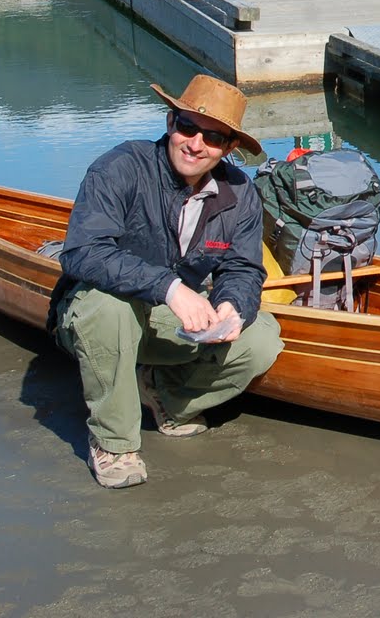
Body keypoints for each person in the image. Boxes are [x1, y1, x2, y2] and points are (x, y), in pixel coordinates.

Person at [51, 74, 284, 488]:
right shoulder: (120, 167)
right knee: (110, 308)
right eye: (188, 127)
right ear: (169, 122)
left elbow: (244, 269)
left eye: (212, 137)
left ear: (229, 148)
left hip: (166, 321)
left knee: (262, 334)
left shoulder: (241, 192)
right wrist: (171, 289)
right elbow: (82, 252)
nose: (196, 144)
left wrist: (231, 305)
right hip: (95, 312)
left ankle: (165, 397)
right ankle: (114, 443)